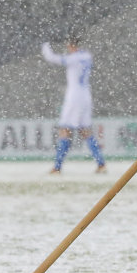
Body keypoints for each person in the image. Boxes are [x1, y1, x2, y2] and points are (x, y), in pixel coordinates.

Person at [41, 38, 106, 174]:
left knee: (65, 131)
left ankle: (57, 167)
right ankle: (101, 164)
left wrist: (45, 45)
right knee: (85, 131)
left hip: (74, 97)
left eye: (69, 46)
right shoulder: (87, 56)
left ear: (72, 45)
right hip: (86, 96)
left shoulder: (73, 58)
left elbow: (52, 58)